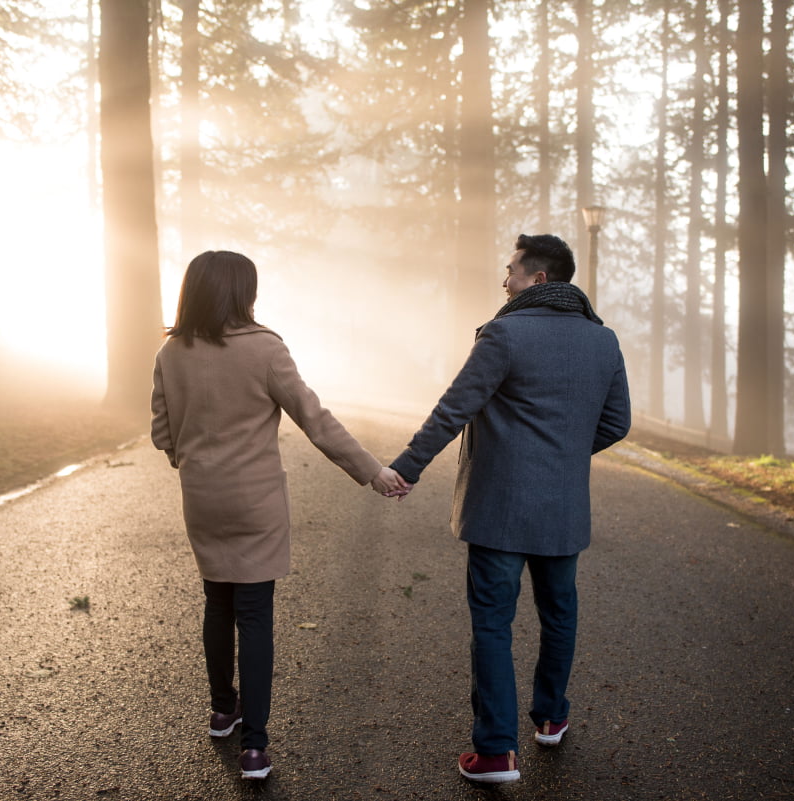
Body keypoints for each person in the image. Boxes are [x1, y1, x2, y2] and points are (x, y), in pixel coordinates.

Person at [150, 250, 407, 780]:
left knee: (216, 603)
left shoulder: (171, 352)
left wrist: (194, 463)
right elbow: (316, 420)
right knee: (255, 615)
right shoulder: (266, 349)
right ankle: (255, 748)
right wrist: (371, 470)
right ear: (243, 293)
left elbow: (162, 432)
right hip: (256, 502)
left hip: (202, 497)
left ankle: (224, 710)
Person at [385, 233, 630, 784]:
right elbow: (616, 424)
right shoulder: (604, 341)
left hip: (498, 507)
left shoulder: (504, 333)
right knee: (559, 614)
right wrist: (561, 456)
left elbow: (453, 409)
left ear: (538, 279)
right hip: (563, 507)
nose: (505, 279)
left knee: (494, 624)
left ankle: (496, 752)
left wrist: (405, 468)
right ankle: (551, 718)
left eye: (512, 270)